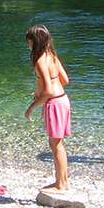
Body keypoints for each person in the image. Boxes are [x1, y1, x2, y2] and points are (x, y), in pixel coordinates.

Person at [24, 25, 71, 193]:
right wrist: (41, 91)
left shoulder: (39, 61)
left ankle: (61, 184)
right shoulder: (52, 55)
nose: (27, 45)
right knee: (58, 143)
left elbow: (49, 90)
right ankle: (62, 181)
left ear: (34, 41)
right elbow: (65, 80)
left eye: (29, 41)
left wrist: (31, 107)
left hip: (54, 103)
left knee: (55, 144)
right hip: (63, 100)